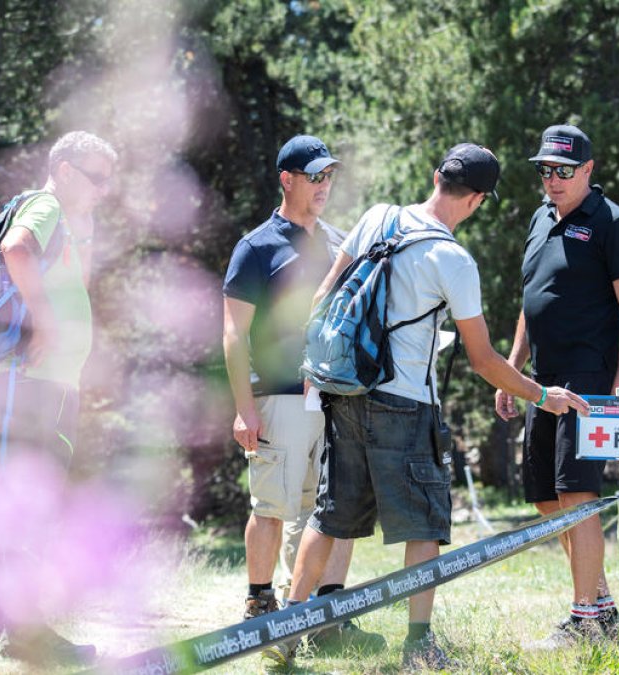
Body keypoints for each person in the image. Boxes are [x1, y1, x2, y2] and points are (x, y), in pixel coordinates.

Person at [272, 143, 589, 670]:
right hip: (405, 402)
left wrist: (319, 371)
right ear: (479, 200)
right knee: (422, 524)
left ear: (437, 176)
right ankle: (418, 646)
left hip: (344, 392)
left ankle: (286, 628)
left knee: (330, 515)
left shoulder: (378, 216)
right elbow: (484, 359)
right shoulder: (453, 260)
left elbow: (323, 297)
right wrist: (541, 395)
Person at [221, 135, 383, 653]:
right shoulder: (257, 246)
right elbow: (231, 333)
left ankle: (317, 615)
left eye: (329, 175)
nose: (323, 185)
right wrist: (244, 408)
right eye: (314, 176)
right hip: (280, 399)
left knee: (327, 509)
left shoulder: (339, 243)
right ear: (285, 180)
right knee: (272, 507)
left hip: (336, 398)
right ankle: (260, 606)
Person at [495, 124, 619, 649]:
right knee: (544, 498)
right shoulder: (540, 219)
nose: (552, 180)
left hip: (589, 379)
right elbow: (531, 299)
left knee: (577, 493)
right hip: (542, 380)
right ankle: (602, 609)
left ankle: (586, 620)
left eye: (563, 171)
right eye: (545, 170)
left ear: (587, 170)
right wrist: (513, 371)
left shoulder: (613, 223)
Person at [0, 130, 118, 665]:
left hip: (47, 386)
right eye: (96, 178)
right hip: (40, 388)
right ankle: (25, 632)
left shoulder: (67, 218)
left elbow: (74, 283)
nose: (104, 190)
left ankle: (6, 626)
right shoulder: (44, 205)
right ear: (62, 170)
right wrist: (42, 321)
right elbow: (16, 248)